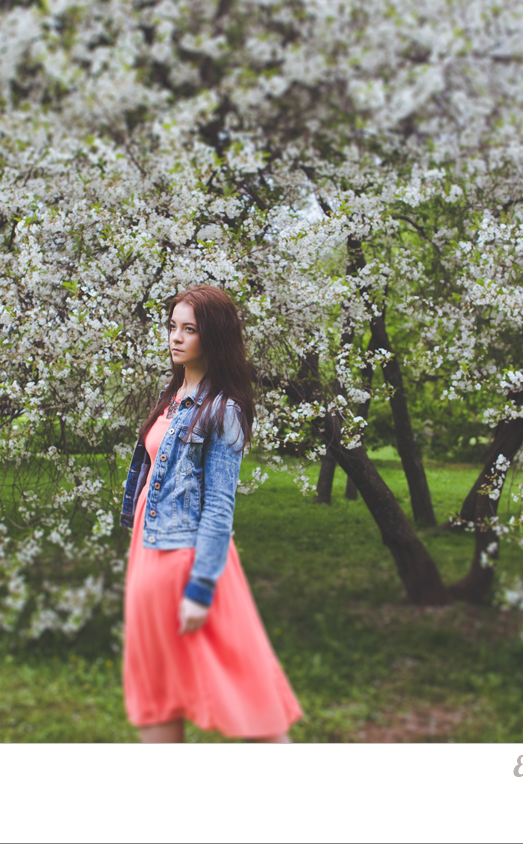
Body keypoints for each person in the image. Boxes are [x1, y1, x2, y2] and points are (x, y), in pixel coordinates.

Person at [120, 285, 302, 743]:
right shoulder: (171, 397)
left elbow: (220, 504)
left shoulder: (224, 410)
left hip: (190, 562)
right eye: (173, 327)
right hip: (148, 558)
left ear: (214, 337)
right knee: (155, 694)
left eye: (190, 330)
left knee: (244, 692)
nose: (176, 338)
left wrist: (201, 588)